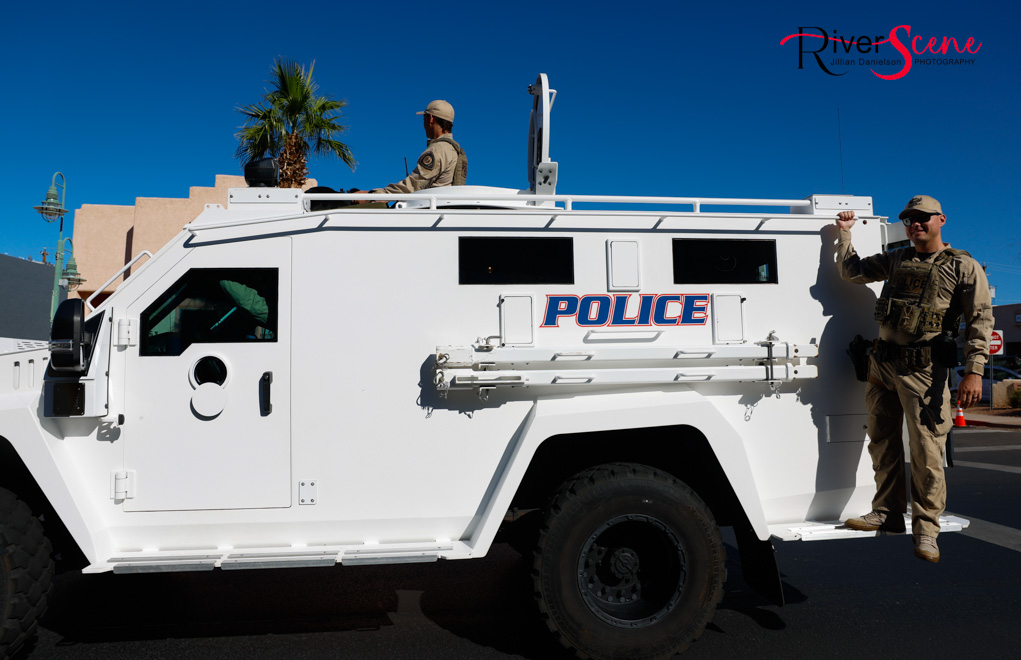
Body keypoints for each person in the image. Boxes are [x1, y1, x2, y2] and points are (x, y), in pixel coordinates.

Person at [834, 195, 992, 563]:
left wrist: (974, 372)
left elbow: (981, 321)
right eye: (909, 219)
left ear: (941, 220)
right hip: (882, 368)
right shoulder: (898, 258)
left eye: (922, 218)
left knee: (926, 452)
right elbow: (852, 272)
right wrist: (844, 235)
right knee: (882, 444)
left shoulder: (963, 266)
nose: (914, 224)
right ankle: (887, 513)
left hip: (925, 372)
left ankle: (926, 530)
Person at [361, 100, 467, 198]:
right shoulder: (456, 151)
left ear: (431, 118)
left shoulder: (438, 149)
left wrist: (373, 195)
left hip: (430, 212)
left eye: (423, 119)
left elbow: (413, 186)